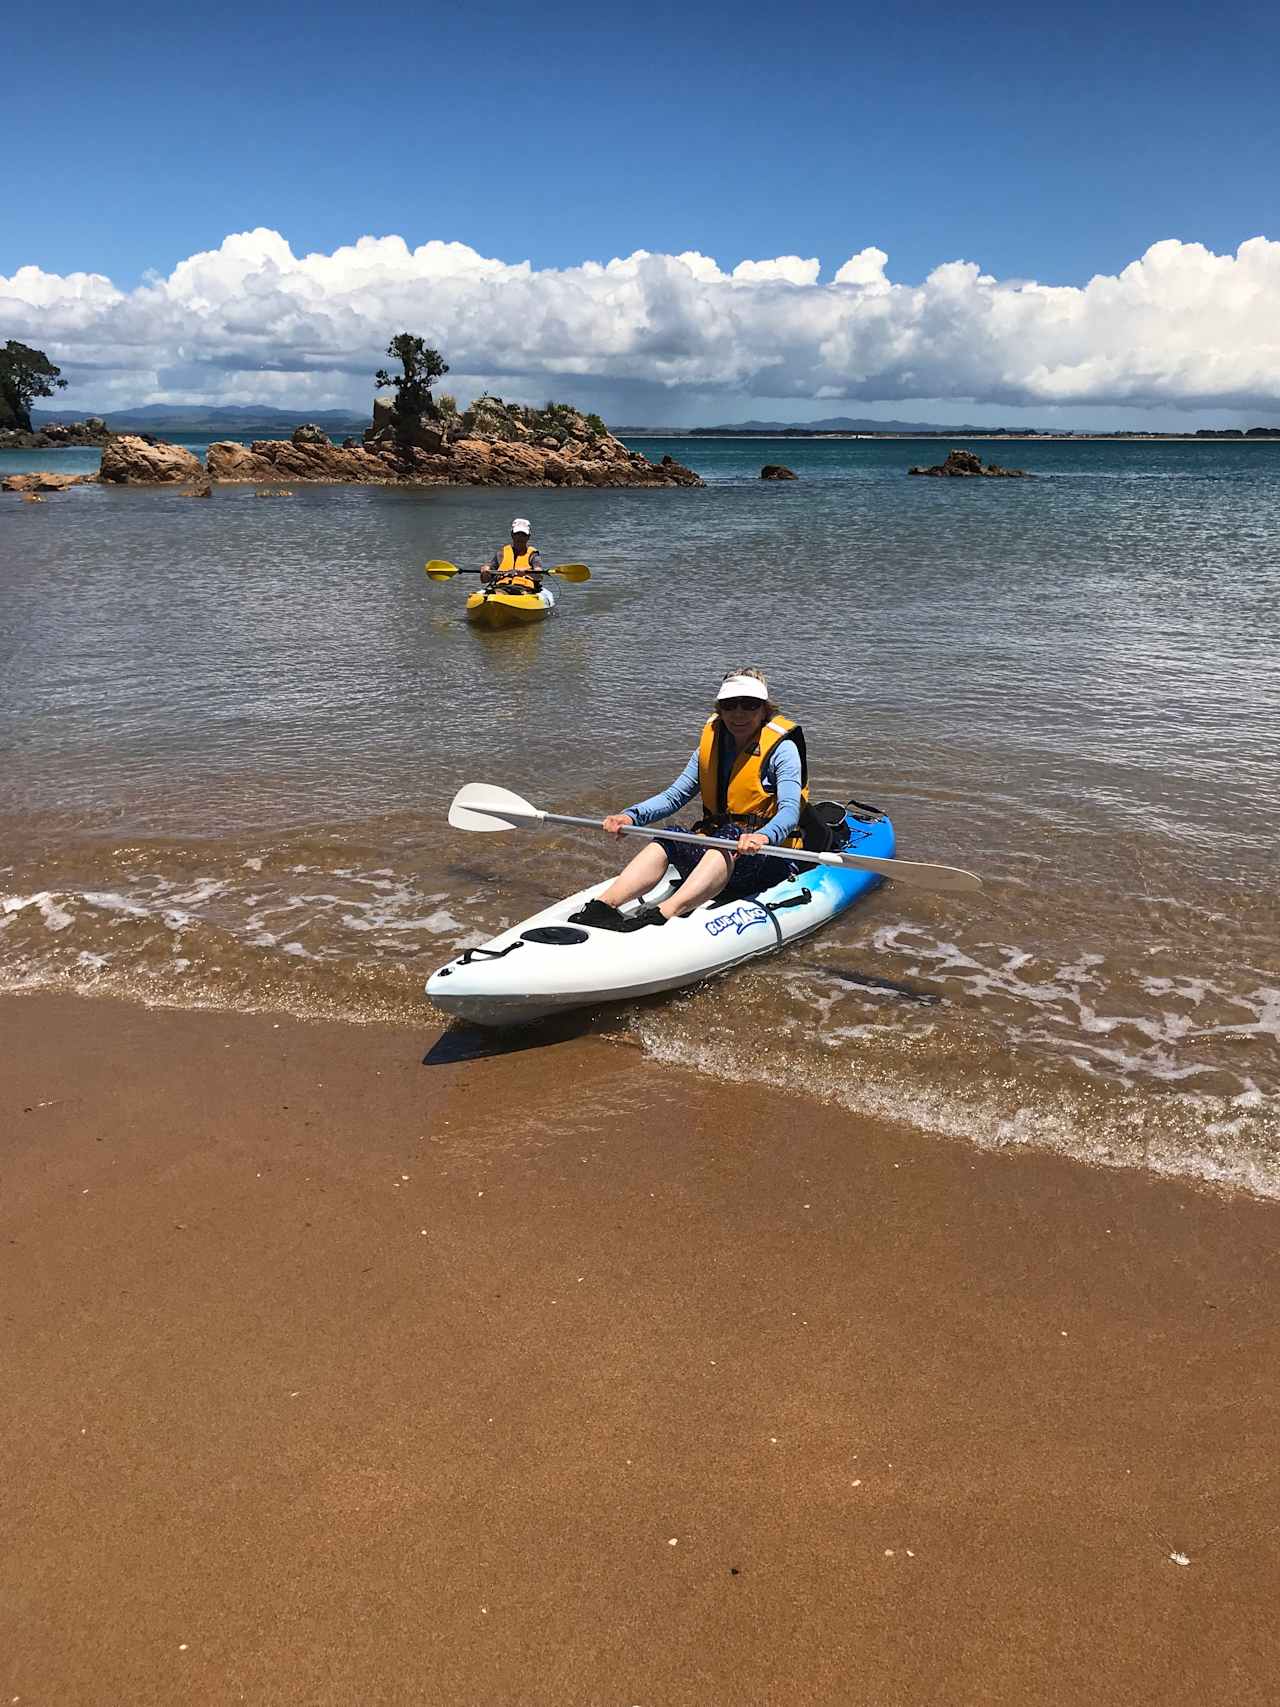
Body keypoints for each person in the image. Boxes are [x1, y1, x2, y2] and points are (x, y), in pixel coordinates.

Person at [571, 667, 810, 932]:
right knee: (673, 835)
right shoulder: (710, 746)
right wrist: (629, 816)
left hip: (766, 858)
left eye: (750, 705)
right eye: (730, 705)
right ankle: (604, 905)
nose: (739, 713)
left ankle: (663, 914)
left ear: (764, 708)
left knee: (728, 834)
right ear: (720, 709)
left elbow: (790, 812)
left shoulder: (782, 750)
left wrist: (763, 837)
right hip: (725, 854)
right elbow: (674, 797)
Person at [480, 518, 542, 592]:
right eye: (517, 534)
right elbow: (485, 580)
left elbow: (539, 574)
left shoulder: (533, 554)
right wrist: (485, 571)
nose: (520, 538)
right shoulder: (501, 553)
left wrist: (527, 572)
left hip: (524, 589)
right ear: (512, 535)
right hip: (500, 587)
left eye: (523, 535)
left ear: (528, 536)